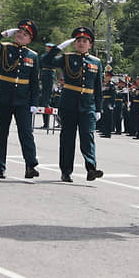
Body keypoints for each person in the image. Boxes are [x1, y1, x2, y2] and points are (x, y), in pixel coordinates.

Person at [42, 26, 104, 182]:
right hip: (69, 104)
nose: (82, 43)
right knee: (67, 139)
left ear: (90, 45)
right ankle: (66, 171)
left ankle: (91, 168)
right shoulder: (67, 57)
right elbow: (46, 60)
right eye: (78, 41)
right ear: (74, 44)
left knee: (87, 137)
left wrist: (98, 108)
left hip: (88, 105)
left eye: (85, 41)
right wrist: (59, 47)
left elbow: (97, 87)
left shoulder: (96, 62)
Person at [0, 20, 41, 179]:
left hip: (23, 100)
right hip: (4, 97)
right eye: (19, 32)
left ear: (30, 39)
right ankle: (0, 167)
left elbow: (34, 83)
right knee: (1, 133)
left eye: (25, 34)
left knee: (26, 133)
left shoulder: (33, 56)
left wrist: (34, 103)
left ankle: (30, 165)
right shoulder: (4, 48)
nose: (21, 35)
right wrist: (3, 34)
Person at [39, 42, 57, 130]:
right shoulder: (44, 56)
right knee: (44, 99)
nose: (48, 48)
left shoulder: (54, 57)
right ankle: (45, 123)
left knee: (47, 98)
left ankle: (47, 122)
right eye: (47, 47)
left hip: (50, 75)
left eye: (50, 47)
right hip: (44, 74)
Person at [99, 70, 116, 138]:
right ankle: (105, 131)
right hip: (105, 102)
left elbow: (113, 95)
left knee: (108, 119)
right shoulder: (106, 84)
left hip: (108, 102)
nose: (105, 77)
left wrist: (111, 104)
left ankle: (108, 133)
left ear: (109, 77)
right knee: (105, 118)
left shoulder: (111, 85)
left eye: (106, 76)